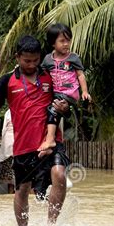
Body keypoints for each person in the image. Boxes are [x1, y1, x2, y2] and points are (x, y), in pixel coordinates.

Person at [0, 35, 70, 226]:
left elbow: (65, 100)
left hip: (50, 140)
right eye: (27, 60)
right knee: (22, 189)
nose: (31, 64)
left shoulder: (50, 76)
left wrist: (65, 107)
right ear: (17, 57)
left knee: (59, 175)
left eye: (36, 60)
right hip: (23, 145)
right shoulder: (7, 81)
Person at [38, 23, 91, 155]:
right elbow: (42, 74)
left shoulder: (73, 57)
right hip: (55, 93)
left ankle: (50, 140)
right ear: (53, 43)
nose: (66, 44)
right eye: (62, 41)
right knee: (48, 112)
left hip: (69, 93)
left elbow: (81, 75)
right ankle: (49, 144)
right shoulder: (47, 59)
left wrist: (84, 92)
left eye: (68, 40)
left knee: (53, 109)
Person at [0, 109, 15, 194]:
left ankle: (10, 196)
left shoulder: (9, 112)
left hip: (8, 143)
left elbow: (4, 130)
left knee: (10, 180)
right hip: (20, 145)